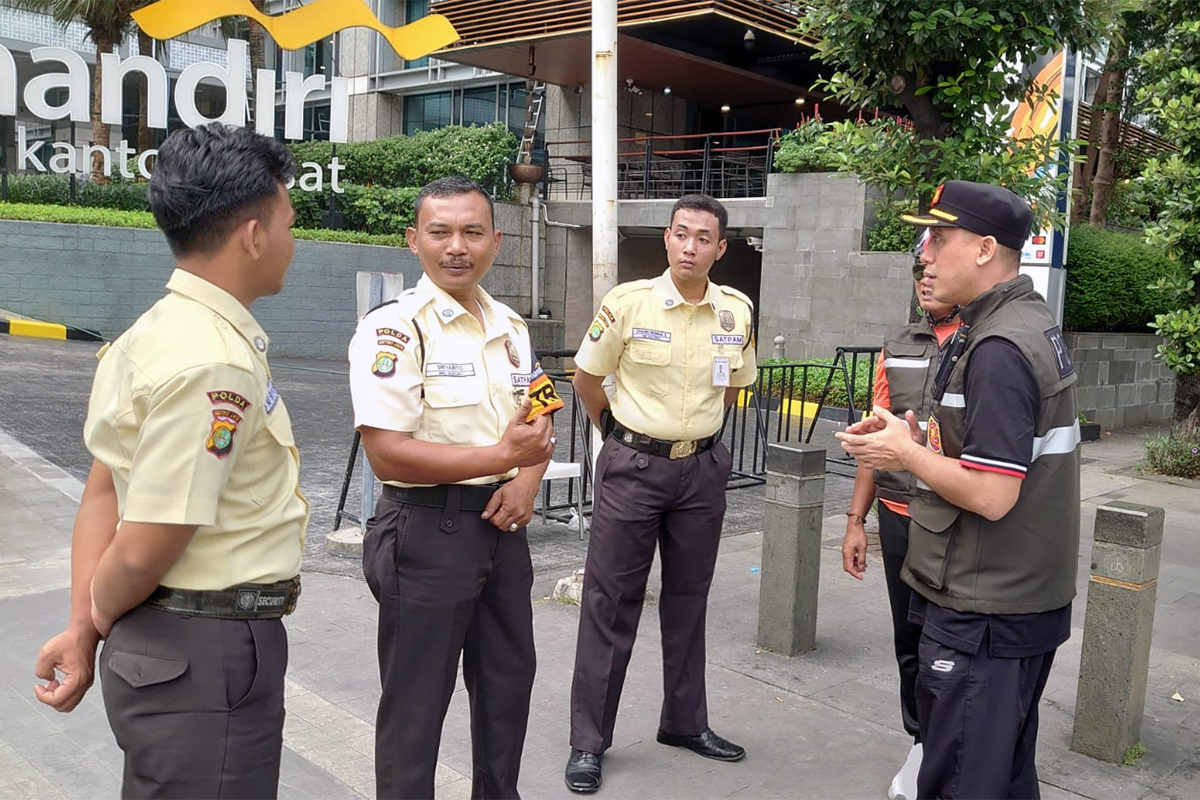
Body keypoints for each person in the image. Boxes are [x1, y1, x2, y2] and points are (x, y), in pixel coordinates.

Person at [32, 122, 308, 798]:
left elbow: (104, 491)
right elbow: (143, 546)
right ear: (253, 235)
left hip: (171, 652)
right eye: (288, 222)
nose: (291, 241)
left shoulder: (150, 334)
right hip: (203, 654)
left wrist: (83, 628)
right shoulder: (212, 360)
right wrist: (93, 621)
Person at [837, 180, 1081, 799]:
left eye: (938, 238)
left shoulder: (999, 345)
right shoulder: (1017, 321)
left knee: (963, 778)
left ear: (984, 249)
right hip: (1007, 596)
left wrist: (905, 453)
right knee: (1002, 774)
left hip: (984, 604)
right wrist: (916, 434)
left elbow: (993, 493)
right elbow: (993, 449)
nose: (924, 253)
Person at [348, 176, 555, 800]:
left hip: (501, 527)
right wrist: (501, 455)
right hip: (425, 531)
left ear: (496, 240)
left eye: (471, 232)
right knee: (417, 706)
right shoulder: (395, 329)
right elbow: (386, 452)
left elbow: (541, 413)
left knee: (507, 686)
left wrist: (526, 479)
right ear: (415, 241)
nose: (456, 246)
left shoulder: (511, 326)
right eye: (440, 232)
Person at [564, 194, 757, 794]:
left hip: (700, 471)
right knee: (610, 601)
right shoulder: (628, 303)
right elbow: (587, 380)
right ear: (667, 240)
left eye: (704, 238)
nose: (691, 246)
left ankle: (684, 722)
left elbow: (734, 386)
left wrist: (693, 439)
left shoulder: (737, 311)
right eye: (682, 234)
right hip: (633, 469)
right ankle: (588, 742)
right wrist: (622, 441)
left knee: (689, 600)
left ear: (720, 249)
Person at [840, 260, 961, 800]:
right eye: (918, 269)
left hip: (957, 518)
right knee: (908, 638)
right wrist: (854, 520)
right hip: (897, 514)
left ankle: (952, 745)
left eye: (936, 267)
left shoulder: (987, 340)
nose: (926, 279)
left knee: (951, 641)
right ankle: (919, 741)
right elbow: (874, 435)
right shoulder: (899, 342)